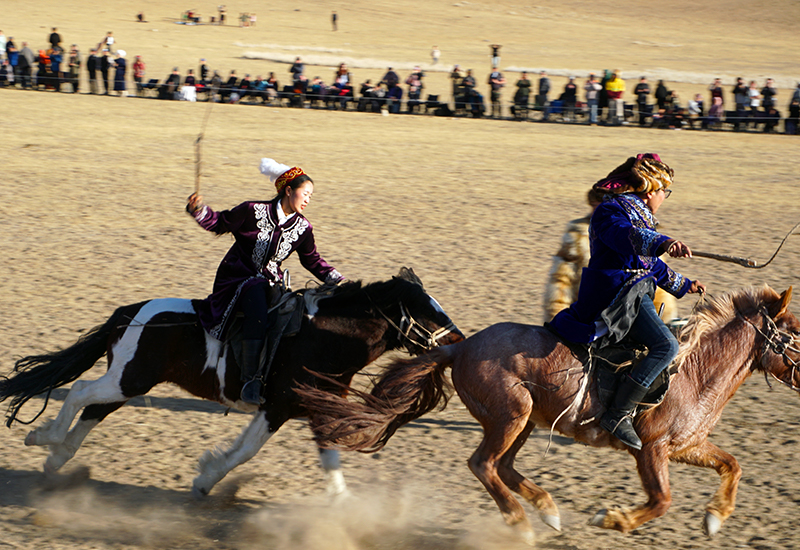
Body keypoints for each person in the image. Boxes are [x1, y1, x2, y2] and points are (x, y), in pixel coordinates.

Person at [548, 153, 705, 450]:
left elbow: (650, 265)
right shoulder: (610, 212)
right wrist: (662, 242)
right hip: (617, 294)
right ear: (649, 191)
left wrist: (684, 284)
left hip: (636, 289)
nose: (663, 197)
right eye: (663, 192)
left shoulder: (639, 216)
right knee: (667, 346)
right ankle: (618, 415)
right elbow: (625, 238)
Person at [185, 158, 344, 404]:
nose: (308, 199)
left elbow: (312, 260)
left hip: (271, 281)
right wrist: (199, 210)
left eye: (311, 196)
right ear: (288, 190)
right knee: (257, 302)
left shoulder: (303, 228)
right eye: (305, 193)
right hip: (237, 278)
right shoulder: (251, 210)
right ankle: (251, 380)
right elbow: (220, 223)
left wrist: (340, 281)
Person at [543, 187, 679, 323]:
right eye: (598, 206)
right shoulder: (578, 235)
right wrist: (557, 317)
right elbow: (561, 280)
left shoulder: (641, 236)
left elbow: (658, 281)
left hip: (634, 314)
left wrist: (663, 318)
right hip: (590, 316)